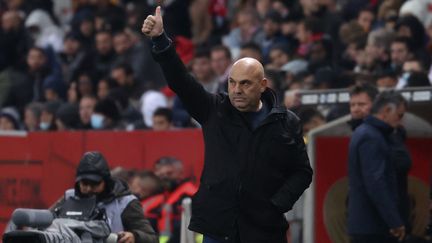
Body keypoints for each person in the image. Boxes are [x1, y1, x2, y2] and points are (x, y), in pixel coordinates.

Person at [142, 7, 313, 243]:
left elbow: (302, 172)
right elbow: (181, 81)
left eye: (245, 84)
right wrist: (161, 41)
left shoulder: (287, 122)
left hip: (265, 230)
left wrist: (276, 204)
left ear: (262, 85)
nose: (236, 90)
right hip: (218, 228)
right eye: (232, 83)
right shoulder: (214, 109)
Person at [51, 151, 158, 243]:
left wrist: (135, 236)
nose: (88, 188)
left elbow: (152, 238)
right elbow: (46, 221)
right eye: (84, 183)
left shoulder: (124, 203)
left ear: (106, 181)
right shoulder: (68, 197)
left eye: (94, 184)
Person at [347, 91, 407, 243]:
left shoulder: (366, 132)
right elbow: (376, 182)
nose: (400, 120)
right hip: (373, 225)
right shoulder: (371, 136)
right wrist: (394, 220)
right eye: (399, 115)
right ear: (387, 111)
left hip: (368, 224)